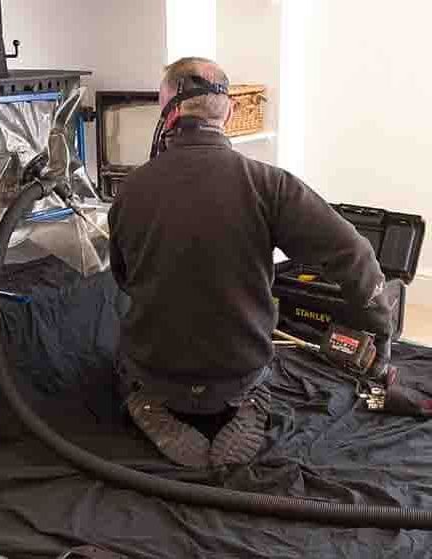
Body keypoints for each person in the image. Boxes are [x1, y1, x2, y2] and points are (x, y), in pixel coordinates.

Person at [107, 57, 393, 469]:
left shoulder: (130, 190)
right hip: (237, 371)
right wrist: (380, 334)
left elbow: (123, 278)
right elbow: (355, 256)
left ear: (165, 110)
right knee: (253, 366)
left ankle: (147, 401)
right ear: (231, 111)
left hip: (157, 369)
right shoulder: (269, 185)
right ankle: (247, 404)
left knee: (119, 354)